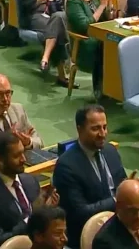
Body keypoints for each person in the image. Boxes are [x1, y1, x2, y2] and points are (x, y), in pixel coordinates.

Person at [52, 105, 128, 248]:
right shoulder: (67, 166)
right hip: (90, 233)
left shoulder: (110, 151)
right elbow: (80, 213)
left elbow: (122, 182)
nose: (103, 133)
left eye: (104, 127)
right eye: (95, 129)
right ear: (79, 129)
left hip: (120, 223)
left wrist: (131, 187)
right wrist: (117, 200)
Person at [0, 131, 45, 249]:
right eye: (16, 156)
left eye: (23, 153)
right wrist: (28, 222)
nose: (23, 159)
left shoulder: (31, 181)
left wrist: (47, 210)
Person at [66, 0, 113, 98]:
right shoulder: (73, 1)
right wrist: (102, 6)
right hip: (85, 45)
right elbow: (84, 26)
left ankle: (114, 89)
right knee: (106, 46)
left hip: (100, 38)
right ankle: (100, 91)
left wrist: (108, 7)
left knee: (116, 45)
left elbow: (106, 20)